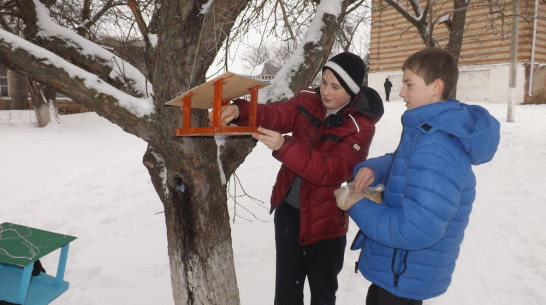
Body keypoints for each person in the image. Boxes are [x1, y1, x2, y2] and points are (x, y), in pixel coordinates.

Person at [211, 52, 384, 305]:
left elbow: (332, 170)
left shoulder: (361, 127)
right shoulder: (307, 100)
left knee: (322, 296)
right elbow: (275, 114)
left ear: (352, 91)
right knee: (286, 295)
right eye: (324, 81)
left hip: (326, 225)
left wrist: (284, 146)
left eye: (335, 87)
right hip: (289, 214)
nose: (325, 91)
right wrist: (240, 110)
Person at [341, 47, 500, 305]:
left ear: (436, 87)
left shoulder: (438, 145)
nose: (402, 92)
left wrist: (357, 204)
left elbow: (415, 228)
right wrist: (375, 168)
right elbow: (405, 161)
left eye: (409, 84)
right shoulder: (428, 129)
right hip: (398, 270)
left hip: (403, 273)